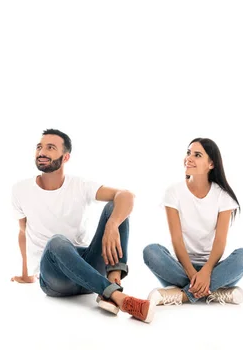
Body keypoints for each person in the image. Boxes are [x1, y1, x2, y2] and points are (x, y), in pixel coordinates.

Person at [10, 129, 160, 323]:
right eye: (39, 147)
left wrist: (112, 225)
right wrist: (25, 274)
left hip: (89, 269)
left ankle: (113, 281)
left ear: (65, 157)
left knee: (116, 207)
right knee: (57, 242)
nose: (42, 152)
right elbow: (23, 232)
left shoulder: (79, 185)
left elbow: (127, 195)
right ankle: (118, 297)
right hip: (55, 278)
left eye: (50, 147)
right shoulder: (20, 189)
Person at [143, 138, 243, 307]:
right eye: (188, 153)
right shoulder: (173, 192)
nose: (189, 158)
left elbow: (220, 241)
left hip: (213, 269)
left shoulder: (222, 196)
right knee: (151, 251)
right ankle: (215, 292)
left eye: (197, 155)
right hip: (180, 268)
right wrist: (191, 273)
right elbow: (177, 239)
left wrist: (207, 271)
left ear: (211, 164)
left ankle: (181, 295)